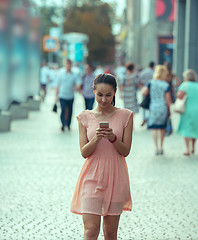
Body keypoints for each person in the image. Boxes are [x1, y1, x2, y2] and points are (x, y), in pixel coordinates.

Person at [71, 73, 133, 240]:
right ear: (93, 91)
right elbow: (84, 152)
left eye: (108, 95)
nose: (104, 100)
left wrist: (113, 138)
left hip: (116, 176)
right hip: (91, 177)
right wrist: (97, 138)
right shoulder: (84, 117)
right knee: (91, 230)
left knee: (110, 233)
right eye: (100, 95)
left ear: (115, 92)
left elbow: (125, 151)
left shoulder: (126, 115)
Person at [142, 65, 173, 155]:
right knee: (162, 127)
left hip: (153, 107)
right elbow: (168, 100)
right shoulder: (166, 85)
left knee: (154, 128)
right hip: (163, 107)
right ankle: (161, 146)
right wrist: (169, 110)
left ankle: (156, 148)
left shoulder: (151, 83)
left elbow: (144, 92)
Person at [176, 69, 198, 156]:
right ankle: (193, 147)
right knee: (195, 128)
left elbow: (180, 97)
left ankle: (187, 149)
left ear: (186, 77)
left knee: (187, 128)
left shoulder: (184, 85)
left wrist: (178, 94)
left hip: (187, 110)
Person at [56, 59, 82, 132]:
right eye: (67, 64)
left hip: (70, 96)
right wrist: (56, 95)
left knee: (70, 110)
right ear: (65, 65)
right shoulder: (61, 73)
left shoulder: (74, 74)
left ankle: (68, 124)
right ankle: (63, 124)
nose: (68, 66)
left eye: (69, 64)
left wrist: (76, 87)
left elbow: (78, 83)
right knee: (63, 110)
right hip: (62, 95)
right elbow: (57, 85)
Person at [139, 61, 155, 126]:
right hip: (152, 91)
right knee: (150, 105)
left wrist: (142, 87)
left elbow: (140, 80)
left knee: (144, 104)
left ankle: (144, 117)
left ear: (148, 65)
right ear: (153, 66)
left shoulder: (144, 72)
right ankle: (149, 119)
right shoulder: (154, 73)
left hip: (145, 90)